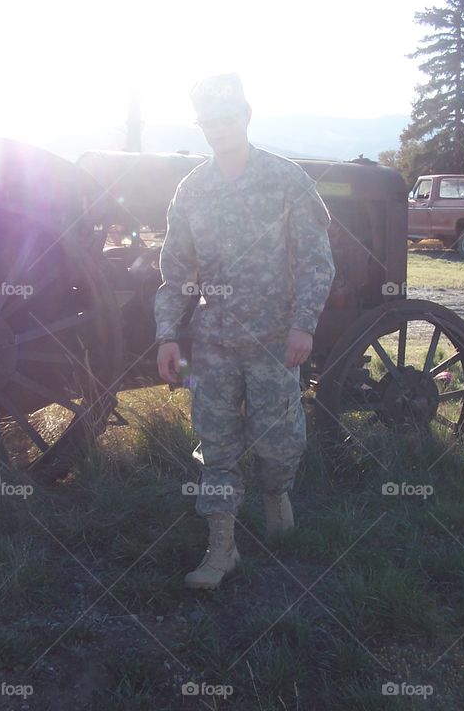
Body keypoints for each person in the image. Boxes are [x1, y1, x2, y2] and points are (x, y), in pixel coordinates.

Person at [154, 73, 335, 590]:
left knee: (278, 443)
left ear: (246, 116)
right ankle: (221, 549)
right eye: (208, 121)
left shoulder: (287, 180)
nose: (217, 129)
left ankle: (277, 494)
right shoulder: (192, 190)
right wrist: (169, 334)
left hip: (276, 339)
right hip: (214, 343)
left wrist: (304, 324)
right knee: (216, 446)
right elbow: (177, 273)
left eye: (226, 117)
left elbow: (317, 261)